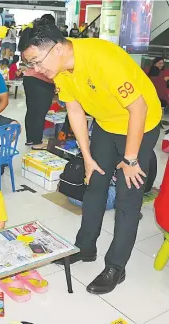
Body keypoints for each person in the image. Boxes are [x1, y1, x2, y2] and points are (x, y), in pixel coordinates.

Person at [19, 18, 161, 294]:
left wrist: (130, 159)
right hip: (107, 126)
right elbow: (75, 111)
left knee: (126, 198)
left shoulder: (103, 58)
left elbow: (139, 109)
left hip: (140, 126)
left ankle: (115, 267)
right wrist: (87, 157)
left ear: (57, 48)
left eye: (37, 61)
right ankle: (85, 247)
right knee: (94, 184)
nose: (37, 69)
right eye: (31, 64)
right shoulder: (60, 69)